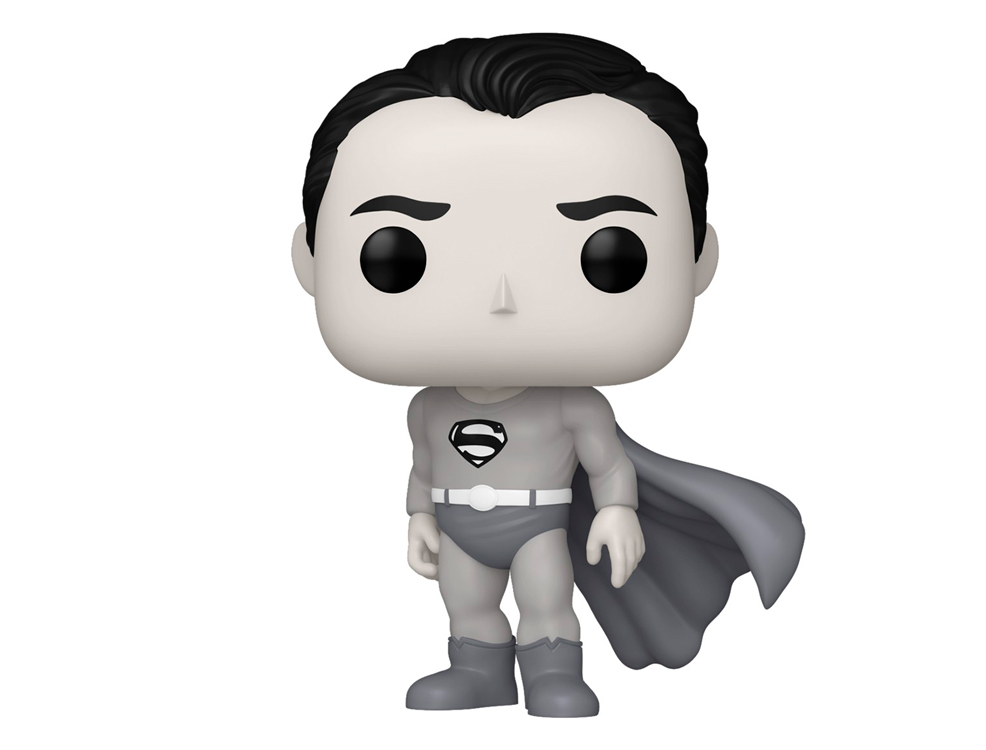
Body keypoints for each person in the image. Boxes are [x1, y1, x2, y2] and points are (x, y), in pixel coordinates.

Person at [290, 33, 805, 718]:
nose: (501, 299)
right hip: (458, 521)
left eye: (611, 256)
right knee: (466, 602)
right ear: (310, 261)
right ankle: (478, 672)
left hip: (536, 522)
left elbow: (607, 465)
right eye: (397, 256)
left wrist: (617, 512)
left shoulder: (575, 406)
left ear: (697, 259)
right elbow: (423, 464)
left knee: (545, 599)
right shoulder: (427, 406)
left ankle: (554, 674)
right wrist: (418, 516)